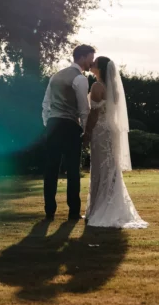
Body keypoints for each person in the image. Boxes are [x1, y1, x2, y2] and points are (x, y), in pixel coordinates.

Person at [83, 56, 148, 229]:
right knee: (111, 168)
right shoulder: (114, 90)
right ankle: (105, 205)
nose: (91, 65)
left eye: (94, 63)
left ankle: (99, 209)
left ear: (101, 68)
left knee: (100, 168)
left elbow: (94, 114)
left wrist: (87, 133)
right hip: (112, 132)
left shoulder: (97, 86)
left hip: (100, 131)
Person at [41, 44, 95, 220]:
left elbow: (46, 104)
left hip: (53, 125)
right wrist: (85, 130)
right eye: (90, 57)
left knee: (50, 168)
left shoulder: (55, 76)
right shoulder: (80, 79)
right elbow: (83, 109)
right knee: (72, 170)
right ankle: (73, 211)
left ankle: (49, 210)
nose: (92, 61)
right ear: (82, 57)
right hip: (70, 126)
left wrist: (48, 123)